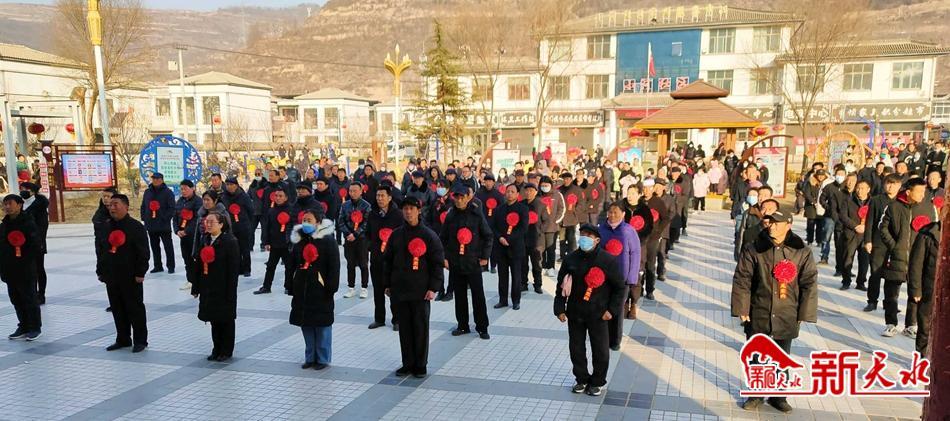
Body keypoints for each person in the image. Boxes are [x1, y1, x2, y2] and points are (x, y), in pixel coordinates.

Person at [731, 209, 818, 413]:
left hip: (787, 312)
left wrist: (804, 313)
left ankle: (779, 396)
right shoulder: (754, 248)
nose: (772, 226)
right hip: (759, 309)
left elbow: (809, 282)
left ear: (788, 225)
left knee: (782, 356)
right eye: (770, 222)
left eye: (777, 223)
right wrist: (742, 307)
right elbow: (742, 279)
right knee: (757, 355)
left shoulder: (801, 251)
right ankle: (756, 394)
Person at [554, 223, 625, 397]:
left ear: (597, 240)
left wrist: (612, 310)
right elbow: (561, 285)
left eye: (589, 236)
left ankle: (597, 381)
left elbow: (619, 288)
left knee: (600, 350)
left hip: (599, 313)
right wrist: (559, 308)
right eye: (583, 235)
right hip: (575, 311)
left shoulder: (607, 260)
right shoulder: (571, 259)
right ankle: (581, 379)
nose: (585, 238)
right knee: (576, 348)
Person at [381, 197, 445, 379]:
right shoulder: (396, 235)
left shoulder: (429, 235)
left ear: (419, 210)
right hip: (400, 289)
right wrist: (387, 284)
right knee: (405, 328)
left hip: (421, 291)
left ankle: (420, 364)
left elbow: (437, 263)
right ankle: (407, 363)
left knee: (420, 327)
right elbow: (387, 261)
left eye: (411, 208)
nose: (408, 212)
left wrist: (433, 287)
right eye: (405, 209)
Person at [879, 177, 937, 338]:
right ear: (908, 192)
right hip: (896, 255)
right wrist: (894, 245)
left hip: (918, 257)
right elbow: (882, 227)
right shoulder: (893, 206)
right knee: (891, 292)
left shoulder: (929, 207)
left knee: (915, 292)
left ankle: (911, 325)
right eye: (919, 191)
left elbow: (934, 231)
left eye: (924, 191)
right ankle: (891, 324)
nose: (922, 195)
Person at [97, 194, 150, 353]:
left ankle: (140, 340)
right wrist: (101, 270)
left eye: (116, 204)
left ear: (126, 207)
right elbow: (101, 250)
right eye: (110, 205)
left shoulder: (136, 227)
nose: (112, 208)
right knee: (117, 308)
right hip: (112, 275)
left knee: (135, 308)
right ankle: (123, 338)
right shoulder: (106, 226)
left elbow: (143, 252)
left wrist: (140, 272)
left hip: (131, 275)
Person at [289, 210, 340, 370]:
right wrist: (290, 285)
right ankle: (310, 357)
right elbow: (291, 264)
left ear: (318, 222)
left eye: (309, 220)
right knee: (306, 325)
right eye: (304, 220)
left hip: (321, 289)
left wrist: (331, 287)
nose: (306, 223)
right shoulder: (299, 240)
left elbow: (334, 266)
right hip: (303, 289)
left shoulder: (328, 240)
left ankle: (323, 359)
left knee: (322, 325)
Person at [441, 184, 493, 339]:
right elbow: (443, 238)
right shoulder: (451, 215)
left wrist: (485, 257)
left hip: (473, 261)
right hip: (456, 262)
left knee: (478, 296)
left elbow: (488, 236)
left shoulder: (476, 214)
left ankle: (482, 327)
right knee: (460, 296)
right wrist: (444, 257)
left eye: (461, 197)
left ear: (467, 198)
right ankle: (462, 325)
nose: (459, 200)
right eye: (456, 197)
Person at [190, 212, 239, 362]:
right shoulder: (205, 239)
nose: (208, 225)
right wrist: (196, 287)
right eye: (207, 222)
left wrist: (230, 292)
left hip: (223, 287)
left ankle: (226, 350)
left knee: (225, 320)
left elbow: (233, 270)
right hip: (208, 287)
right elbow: (198, 265)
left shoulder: (230, 242)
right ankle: (216, 348)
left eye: (212, 222)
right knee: (213, 319)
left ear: (221, 224)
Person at [598, 202, 641, 351]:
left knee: (617, 309)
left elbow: (635, 253)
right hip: (603, 277)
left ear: (623, 214)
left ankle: (615, 340)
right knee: (603, 306)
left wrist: (632, 277)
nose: (612, 215)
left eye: (615, 212)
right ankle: (604, 337)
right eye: (610, 212)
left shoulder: (628, 230)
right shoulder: (601, 229)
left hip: (622, 277)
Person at [0, 194, 42, 340]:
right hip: (9, 269)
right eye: (5, 204)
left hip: (25, 269)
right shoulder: (4, 225)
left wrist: (24, 260)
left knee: (29, 298)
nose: (7, 207)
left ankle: (34, 327)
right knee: (16, 299)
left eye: (10, 204)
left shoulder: (28, 223)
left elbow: (36, 245)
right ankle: (23, 326)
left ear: (19, 205)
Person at [367, 185, 404, 330]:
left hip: (393, 260)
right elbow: (368, 234)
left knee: (394, 290)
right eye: (378, 196)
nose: (379, 199)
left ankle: (397, 320)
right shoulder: (372, 214)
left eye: (382, 196)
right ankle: (379, 319)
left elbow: (402, 235)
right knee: (377, 290)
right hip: (376, 258)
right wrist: (371, 246)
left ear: (389, 198)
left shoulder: (398, 215)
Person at [493, 184, 528, 310]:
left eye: (513, 192)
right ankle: (503, 300)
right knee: (502, 276)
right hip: (501, 248)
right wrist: (500, 238)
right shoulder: (499, 209)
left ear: (517, 194)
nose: (509, 194)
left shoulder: (522, 209)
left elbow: (523, 228)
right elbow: (494, 226)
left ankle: (516, 300)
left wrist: (509, 239)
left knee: (516, 276)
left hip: (516, 247)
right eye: (508, 191)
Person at [908, 216, 940, 355]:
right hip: (929, 288)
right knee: (925, 325)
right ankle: (922, 357)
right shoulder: (927, 234)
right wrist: (915, 289)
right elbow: (916, 263)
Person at [255, 189, 294, 295]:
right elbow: (267, 227)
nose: (278, 198)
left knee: (289, 267)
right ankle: (266, 287)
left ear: (286, 197)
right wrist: (266, 242)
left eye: (280, 196)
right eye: (276, 196)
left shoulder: (291, 210)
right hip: (274, 244)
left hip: (287, 244)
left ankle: (289, 286)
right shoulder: (271, 211)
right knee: (270, 266)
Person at [338, 182, 373, 299]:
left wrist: (356, 234)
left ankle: (364, 287)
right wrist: (348, 234)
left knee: (363, 264)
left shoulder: (366, 206)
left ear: (361, 191)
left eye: (355, 191)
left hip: (362, 239)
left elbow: (367, 223)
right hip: (348, 239)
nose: (352, 193)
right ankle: (351, 287)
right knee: (350, 264)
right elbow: (340, 221)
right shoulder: (345, 205)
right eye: (351, 191)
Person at [838, 179, 871, 291]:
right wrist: (855, 226)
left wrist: (866, 227)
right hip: (851, 233)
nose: (859, 190)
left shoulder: (873, 202)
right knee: (847, 258)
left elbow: (875, 218)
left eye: (862, 188)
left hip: (866, 235)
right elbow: (843, 216)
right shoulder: (848, 200)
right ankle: (846, 281)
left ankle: (861, 283)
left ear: (868, 189)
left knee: (864, 260)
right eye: (858, 188)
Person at [18, 182, 49, 304]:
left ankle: (41, 294)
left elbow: (43, 227)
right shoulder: (20, 204)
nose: (23, 191)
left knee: (38, 269)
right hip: (21, 243)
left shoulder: (40, 205)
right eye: (21, 189)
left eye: (25, 189)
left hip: (36, 243)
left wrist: (38, 241)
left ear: (33, 191)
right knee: (26, 270)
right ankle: (30, 293)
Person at [140, 173, 176, 274]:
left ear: (162, 180)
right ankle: (158, 266)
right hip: (151, 224)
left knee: (168, 246)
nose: (155, 180)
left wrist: (165, 218)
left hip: (163, 224)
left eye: (157, 178)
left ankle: (171, 266)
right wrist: (144, 218)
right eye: (153, 178)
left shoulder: (168, 192)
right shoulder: (147, 192)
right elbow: (143, 206)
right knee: (154, 247)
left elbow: (172, 208)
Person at [222, 177, 255, 277]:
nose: (229, 187)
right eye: (227, 185)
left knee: (245, 249)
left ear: (236, 185)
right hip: (230, 227)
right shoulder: (224, 197)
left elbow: (251, 210)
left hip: (243, 226)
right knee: (235, 250)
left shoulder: (244, 196)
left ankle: (247, 269)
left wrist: (248, 223)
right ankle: (238, 268)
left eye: (231, 185)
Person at [175, 180, 202, 291]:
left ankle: (198, 280)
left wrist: (187, 231)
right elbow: (175, 217)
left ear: (192, 188)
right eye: (181, 189)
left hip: (194, 235)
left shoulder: (198, 201)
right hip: (183, 236)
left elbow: (197, 219)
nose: (183, 191)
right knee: (186, 258)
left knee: (196, 258)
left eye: (185, 189)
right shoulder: (180, 201)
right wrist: (177, 230)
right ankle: (190, 280)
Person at [93, 187, 117, 312]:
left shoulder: (118, 213)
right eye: (104, 196)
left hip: (117, 249)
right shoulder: (100, 213)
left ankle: (121, 303)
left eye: (108, 196)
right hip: (102, 249)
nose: (106, 199)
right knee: (107, 278)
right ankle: (113, 303)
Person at [538, 176, 565, 278]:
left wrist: (556, 221)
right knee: (541, 248)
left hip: (552, 227)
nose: (544, 187)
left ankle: (551, 267)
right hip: (540, 227)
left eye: (546, 185)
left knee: (550, 248)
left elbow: (562, 208)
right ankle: (543, 266)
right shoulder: (538, 195)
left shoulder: (557, 194)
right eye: (542, 185)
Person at [522, 183, 544, 293]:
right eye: (527, 190)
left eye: (531, 190)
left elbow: (546, 220)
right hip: (523, 239)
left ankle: (538, 285)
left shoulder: (541, 204)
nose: (528, 193)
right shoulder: (521, 204)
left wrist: (540, 231)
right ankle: (523, 284)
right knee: (523, 264)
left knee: (537, 264)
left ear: (536, 192)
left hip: (537, 239)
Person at [559, 172, 585, 259]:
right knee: (562, 238)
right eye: (564, 179)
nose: (566, 181)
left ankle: (572, 255)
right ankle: (562, 256)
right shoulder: (559, 190)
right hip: (561, 218)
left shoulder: (577, 190)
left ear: (571, 179)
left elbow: (581, 203)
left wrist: (575, 211)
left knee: (571, 238)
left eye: (568, 179)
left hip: (571, 218)